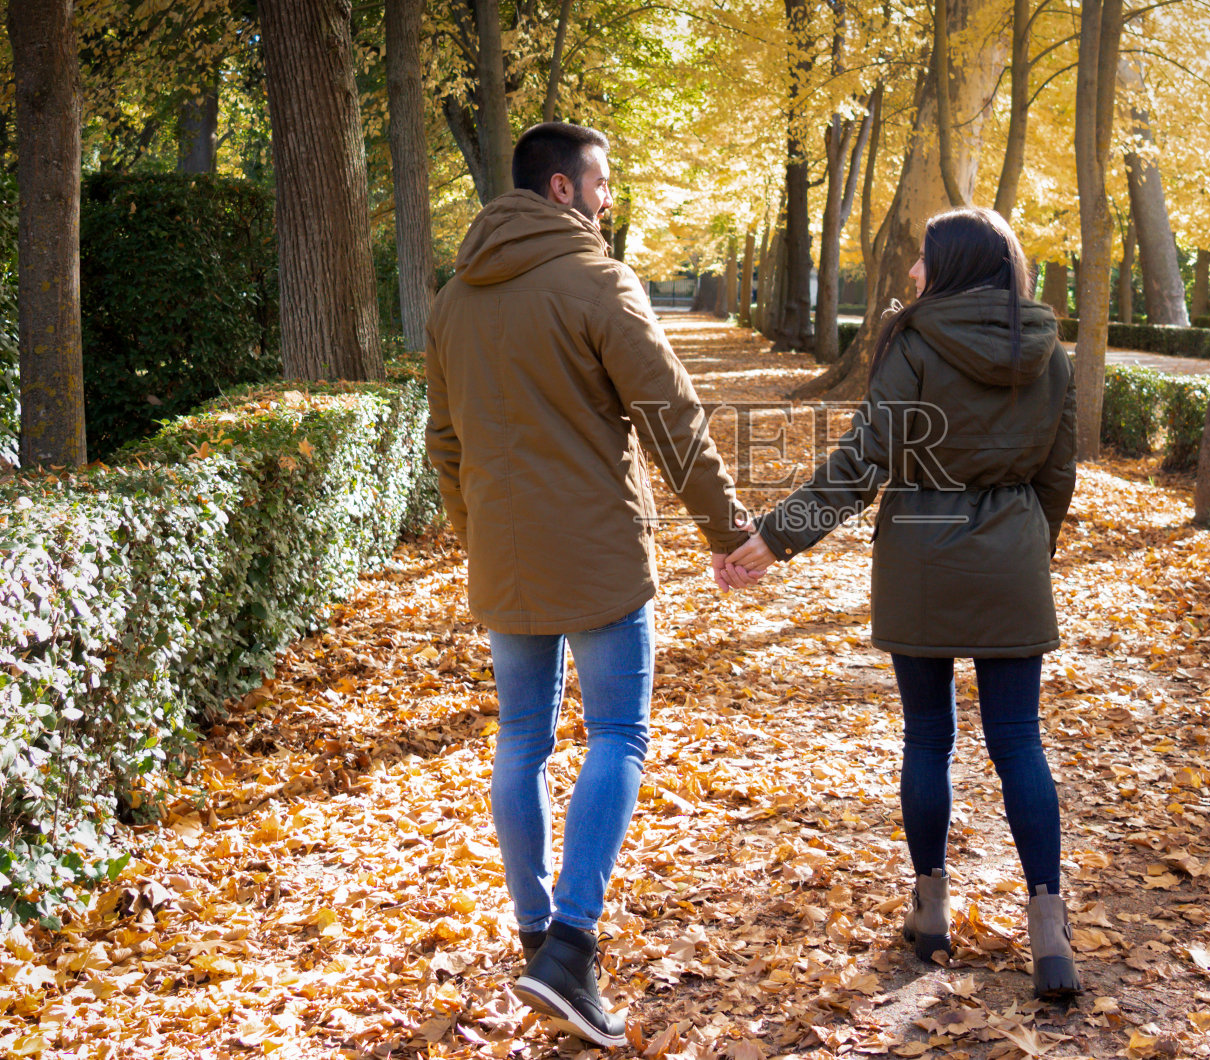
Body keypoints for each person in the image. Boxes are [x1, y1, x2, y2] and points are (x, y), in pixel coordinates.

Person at [425, 121, 753, 1046]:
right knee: (618, 730)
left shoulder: (453, 300)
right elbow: (670, 414)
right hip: (602, 554)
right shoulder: (599, 281)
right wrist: (728, 534)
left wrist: (476, 534)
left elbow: (443, 445)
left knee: (521, 740)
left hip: (505, 555)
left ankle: (534, 933)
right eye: (602, 182)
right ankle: (569, 946)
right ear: (563, 189)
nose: (610, 198)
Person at [724, 207, 1084, 1000]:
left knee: (929, 736)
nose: (912, 274)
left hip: (922, 556)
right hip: (1013, 559)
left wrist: (778, 536)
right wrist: (1027, 547)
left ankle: (931, 913)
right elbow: (1058, 474)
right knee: (1019, 742)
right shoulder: (1048, 351)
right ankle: (1050, 931)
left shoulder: (914, 343)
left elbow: (863, 463)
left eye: (922, 259)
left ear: (951, 265)